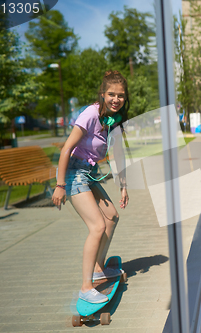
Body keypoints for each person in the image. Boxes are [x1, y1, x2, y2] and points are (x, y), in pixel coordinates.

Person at [52, 70, 130, 303]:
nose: (116, 99)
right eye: (111, 95)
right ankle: (86, 287)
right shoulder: (90, 113)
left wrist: (124, 186)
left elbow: (119, 155)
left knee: (112, 217)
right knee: (97, 226)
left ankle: (98, 269)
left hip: (88, 173)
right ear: (103, 94)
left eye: (121, 96)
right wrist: (60, 184)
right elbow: (66, 149)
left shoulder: (114, 120)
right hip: (73, 173)